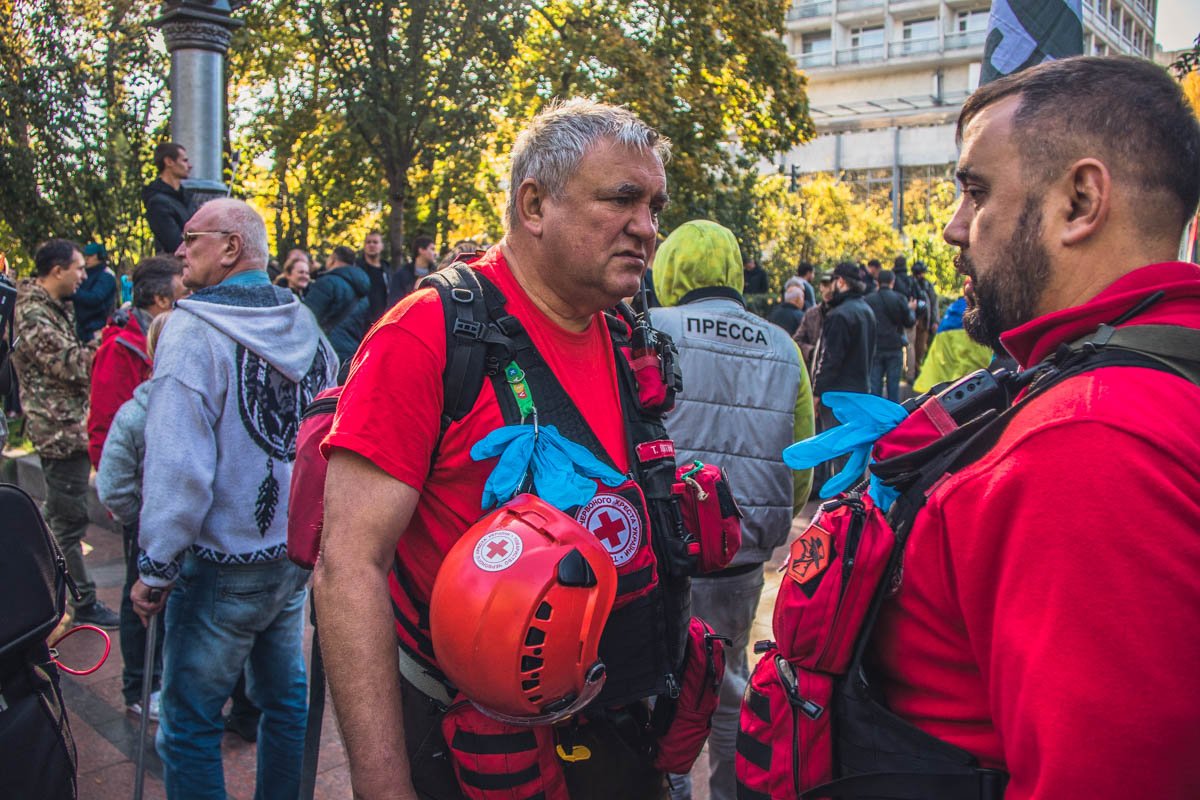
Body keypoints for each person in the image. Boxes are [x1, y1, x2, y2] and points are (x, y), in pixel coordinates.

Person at [316, 99, 684, 800]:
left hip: (615, 739)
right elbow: (349, 569)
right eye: (623, 199)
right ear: (535, 204)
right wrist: (383, 786)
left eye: (655, 205)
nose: (647, 226)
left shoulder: (622, 333)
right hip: (480, 755)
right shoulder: (426, 333)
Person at [865, 56, 1200, 797]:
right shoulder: (1147, 380)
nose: (954, 229)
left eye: (975, 192)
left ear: (1080, 201)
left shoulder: (1086, 443)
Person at [130, 199, 338, 798]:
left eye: (191, 237)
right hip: (286, 562)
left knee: (190, 723)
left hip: (220, 566)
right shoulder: (304, 324)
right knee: (285, 703)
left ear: (229, 248)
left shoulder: (193, 332)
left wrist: (155, 565)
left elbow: (178, 466)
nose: (179, 249)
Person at [649, 220, 814, 800]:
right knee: (728, 688)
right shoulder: (782, 345)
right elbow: (801, 461)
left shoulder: (649, 328)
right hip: (742, 556)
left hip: (664, 553)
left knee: (658, 691)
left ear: (669, 267)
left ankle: (669, 789)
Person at [11, 239, 118, 629]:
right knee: (67, 522)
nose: (84, 276)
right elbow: (71, 365)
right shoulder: (34, 312)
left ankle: (51, 595)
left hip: (65, 426)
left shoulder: (50, 308)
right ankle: (78, 601)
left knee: (59, 515)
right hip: (59, 430)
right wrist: (109, 344)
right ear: (56, 270)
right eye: (78, 268)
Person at [96, 309, 173, 721]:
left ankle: (164, 682)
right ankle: (141, 684)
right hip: (147, 525)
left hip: (174, 525)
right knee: (140, 599)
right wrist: (137, 518)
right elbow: (112, 485)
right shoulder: (137, 413)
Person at [87, 256, 185, 468]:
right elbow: (105, 425)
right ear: (161, 299)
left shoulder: (172, 340)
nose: (191, 300)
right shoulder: (120, 349)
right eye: (185, 294)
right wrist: (117, 484)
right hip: (139, 478)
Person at [912, 294, 993, 394]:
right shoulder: (982, 310)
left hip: (928, 391)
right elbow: (973, 372)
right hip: (951, 398)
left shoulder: (956, 307)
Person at [303, 244, 370, 364]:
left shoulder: (327, 283)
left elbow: (307, 317)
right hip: (352, 354)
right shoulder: (363, 292)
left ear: (333, 259)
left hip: (327, 352)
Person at [863, 269, 916, 403]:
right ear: (892, 282)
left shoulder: (868, 299)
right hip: (894, 346)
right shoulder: (899, 299)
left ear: (877, 282)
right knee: (893, 388)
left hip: (875, 347)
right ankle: (893, 420)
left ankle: (875, 418)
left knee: (875, 387)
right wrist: (912, 310)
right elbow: (909, 322)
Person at [142, 142, 196, 254]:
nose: (189, 166)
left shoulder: (187, 198)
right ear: (169, 162)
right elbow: (175, 244)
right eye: (184, 160)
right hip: (175, 267)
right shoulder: (157, 203)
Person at [74, 242, 118, 342]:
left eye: (90, 256)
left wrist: (73, 293)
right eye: (85, 256)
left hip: (97, 328)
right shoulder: (86, 273)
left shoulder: (106, 275)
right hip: (83, 327)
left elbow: (96, 298)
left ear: (99, 256)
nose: (86, 259)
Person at [794, 272, 833, 372]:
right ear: (820, 287)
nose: (828, 290)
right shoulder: (812, 313)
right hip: (814, 371)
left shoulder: (843, 313)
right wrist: (813, 351)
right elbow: (796, 341)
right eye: (825, 285)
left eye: (830, 285)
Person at [909, 260, 939, 375]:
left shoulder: (927, 285)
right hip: (911, 321)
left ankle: (917, 369)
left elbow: (934, 303)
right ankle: (912, 371)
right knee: (911, 347)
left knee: (921, 348)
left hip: (924, 322)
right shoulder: (909, 283)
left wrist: (935, 321)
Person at [357, 231, 394, 325]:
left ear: (382, 246)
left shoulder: (387, 270)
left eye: (375, 242)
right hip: (361, 321)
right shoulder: (357, 268)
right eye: (368, 242)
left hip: (382, 321)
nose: (371, 245)